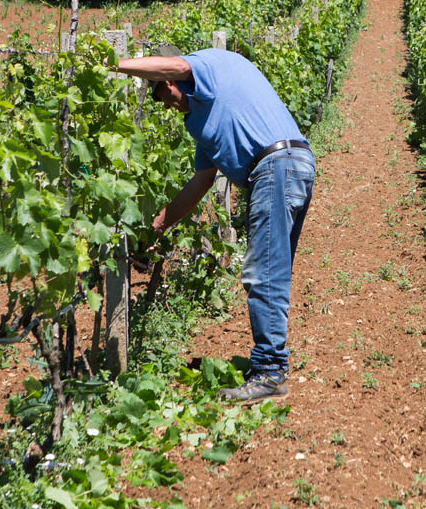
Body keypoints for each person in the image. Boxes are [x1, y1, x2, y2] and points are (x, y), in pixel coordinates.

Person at [117, 44, 315, 402]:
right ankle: (270, 364)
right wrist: (158, 227)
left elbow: (176, 64)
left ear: (173, 79)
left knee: (263, 273)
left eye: (163, 93)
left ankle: (269, 372)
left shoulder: (206, 67)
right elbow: (201, 182)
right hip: (291, 164)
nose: (166, 104)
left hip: (276, 166)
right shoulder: (201, 118)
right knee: (274, 272)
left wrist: (113, 63)